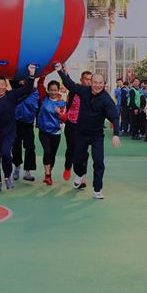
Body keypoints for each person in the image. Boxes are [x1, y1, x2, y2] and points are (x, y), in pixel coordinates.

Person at [56, 63, 120, 199]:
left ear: (104, 84)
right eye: (95, 82)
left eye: (100, 83)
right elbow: (69, 84)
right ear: (91, 83)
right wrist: (60, 71)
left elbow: (114, 116)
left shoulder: (106, 99)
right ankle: (80, 174)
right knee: (77, 159)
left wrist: (116, 134)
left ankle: (97, 189)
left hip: (97, 135)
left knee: (99, 161)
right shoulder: (83, 91)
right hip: (81, 133)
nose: (98, 85)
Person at [0, 65, 37, 192]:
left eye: (2, 85)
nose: (0, 87)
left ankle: (7, 177)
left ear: (6, 86)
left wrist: (31, 74)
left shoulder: (11, 95)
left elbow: (27, 88)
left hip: (8, 132)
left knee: (6, 153)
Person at [62, 70, 93, 181]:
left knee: (83, 152)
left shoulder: (93, 93)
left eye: (90, 79)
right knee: (71, 148)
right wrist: (64, 72)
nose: (88, 81)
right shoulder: (75, 90)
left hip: (84, 127)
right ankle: (67, 167)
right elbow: (69, 82)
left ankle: (81, 176)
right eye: (86, 79)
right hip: (71, 124)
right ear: (81, 80)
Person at [36, 77, 67, 185]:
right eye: (51, 90)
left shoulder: (62, 103)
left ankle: (48, 173)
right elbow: (40, 85)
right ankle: (48, 175)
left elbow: (64, 119)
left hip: (56, 133)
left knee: (52, 155)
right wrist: (44, 74)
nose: (53, 92)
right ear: (48, 90)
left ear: (58, 90)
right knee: (47, 151)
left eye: (55, 90)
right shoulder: (44, 98)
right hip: (44, 131)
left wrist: (59, 114)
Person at [13, 81, 39, 182]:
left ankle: (28, 171)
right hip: (16, 122)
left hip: (28, 123)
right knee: (15, 145)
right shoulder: (16, 88)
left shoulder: (34, 91)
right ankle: (17, 167)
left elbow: (35, 106)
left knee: (30, 146)